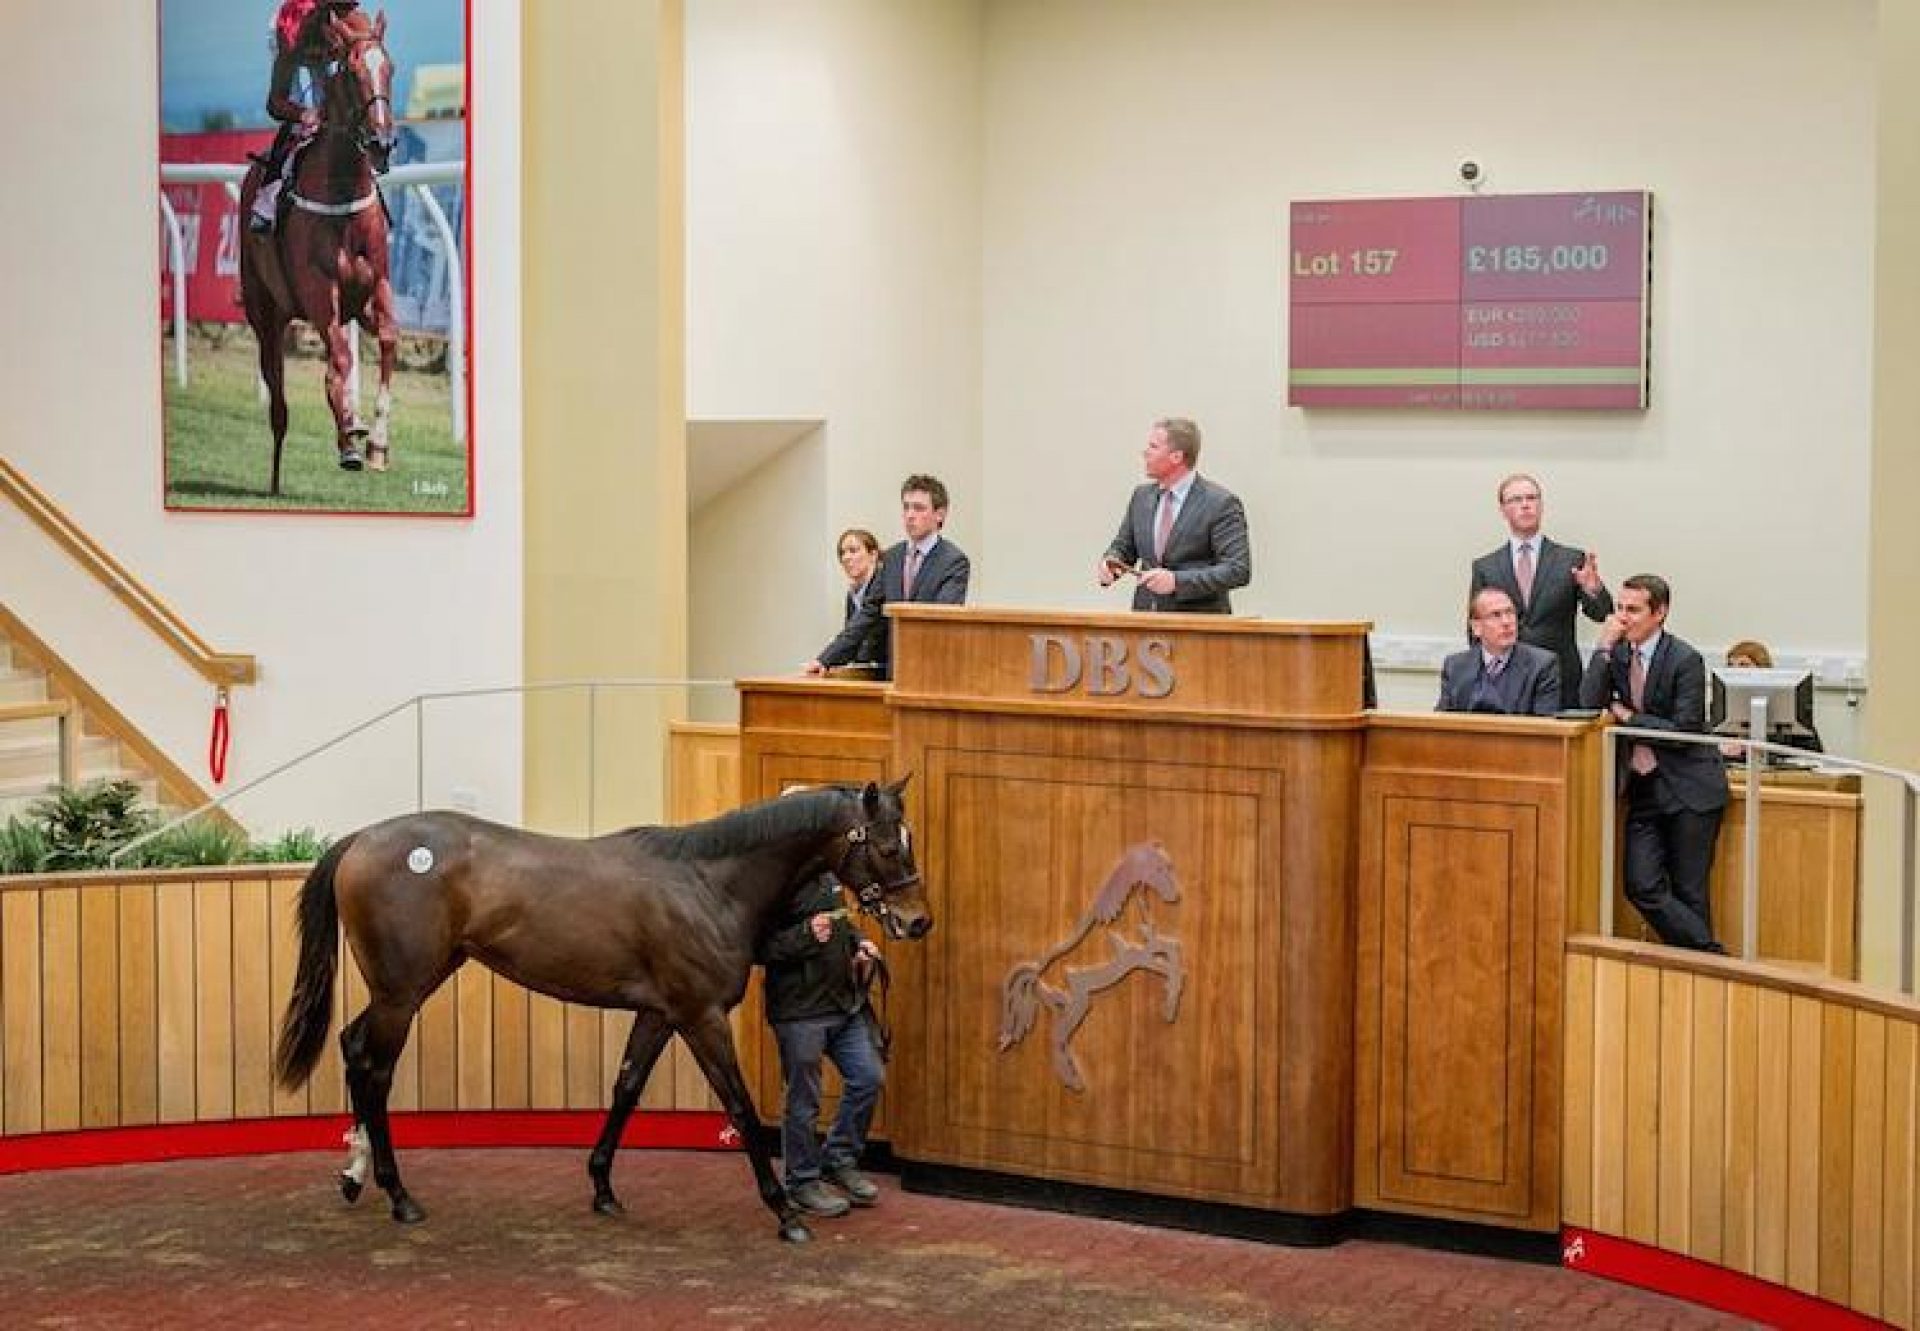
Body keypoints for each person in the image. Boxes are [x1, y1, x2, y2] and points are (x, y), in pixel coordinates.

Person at [1580, 575, 1728, 953]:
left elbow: (1683, 729)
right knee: (1640, 884)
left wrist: (1628, 717)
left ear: (1659, 613)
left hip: (1689, 786)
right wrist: (1601, 648)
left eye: (1633, 610)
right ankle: (1712, 954)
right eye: (1619, 609)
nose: (1623, 618)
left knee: (1689, 889)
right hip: (1642, 787)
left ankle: (1700, 972)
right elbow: (1587, 702)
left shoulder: (1685, 659)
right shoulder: (1618, 653)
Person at [756, 872, 887, 1219]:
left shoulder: (830, 877)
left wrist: (859, 944)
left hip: (845, 1006)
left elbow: (840, 924)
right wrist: (804, 935)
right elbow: (759, 947)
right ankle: (801, 1183)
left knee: (868, 1078)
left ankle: (838, 1159)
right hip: (800, 1015)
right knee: (804, 1099)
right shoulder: (776, 883)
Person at [806, 475, 969, 679]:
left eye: (918, 508)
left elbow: (943, 619)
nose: (910, 515)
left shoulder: (953, 561)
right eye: (906, 507)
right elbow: (868, 614)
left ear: (940, 514)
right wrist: (825, 659)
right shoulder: (892, 557)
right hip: (896, 673)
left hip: (933, 673)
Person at [1468, 473, 1612, 691]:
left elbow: (1602, 614)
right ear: (1503, 510)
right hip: (1505, 684)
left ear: (1541, 505)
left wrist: (1594, 588)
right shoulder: (1486, 566)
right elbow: (1475, 631)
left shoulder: (1570, 559)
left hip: (1560, 678)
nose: (1525, 505)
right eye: (1516, 500)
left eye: (1531, 498)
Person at [1097, 418, 1252, 614]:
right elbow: (1124, 547)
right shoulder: (1141, 497)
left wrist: (1177, 582)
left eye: (1153, 447)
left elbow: (1238, 570)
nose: (1145, 453)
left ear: (1177, 457)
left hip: (1198, 628)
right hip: (1145, 624)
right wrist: (1111, 561)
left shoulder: (1220, 503)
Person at [249, 0, 360, 233]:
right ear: (324, 18)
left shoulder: (354, 23)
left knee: (335, 110)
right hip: (295, 40)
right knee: (301, 117)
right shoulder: (291, 33)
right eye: (338, 18)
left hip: (317, 40)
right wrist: (303, 114)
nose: (345, 26)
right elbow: (275, 104)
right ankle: (269, 193)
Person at [1436, 587, 1561, 716]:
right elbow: (1442, 723)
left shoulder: (1542, 665)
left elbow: (1544, 728)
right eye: (1496, 615)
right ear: (1476, 627)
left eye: (1510, 613)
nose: (1506, 622)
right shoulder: (1456, 666)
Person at [1713, 639, 1825, 756]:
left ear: (1763, 669)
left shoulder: (1787, 703)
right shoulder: (1721, 706)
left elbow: (1815, 754)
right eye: (1730, 666)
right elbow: (1709, 745)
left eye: (1744, 665)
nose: (1736, 671)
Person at [833, 528, 886, 667]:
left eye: (853, 550)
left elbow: (859, 630)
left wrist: (824, 660)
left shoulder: (883, 585)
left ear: (873, 555)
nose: (846, 558)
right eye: (842, 553)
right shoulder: (852, 594)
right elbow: (850, 635)